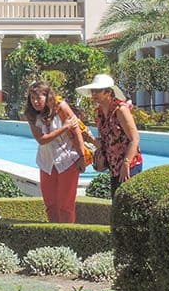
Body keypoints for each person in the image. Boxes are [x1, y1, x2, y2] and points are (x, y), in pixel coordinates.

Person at [25, 81, 85, 223]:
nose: (35, 101)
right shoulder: (31, 115)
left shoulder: (61, 107)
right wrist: (64, 128)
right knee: (50, 204)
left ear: (47, 97)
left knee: (66, 205)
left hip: (68, 160)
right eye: (32, 98)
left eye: (38, 97)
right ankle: (54, 237)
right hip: (46, 163)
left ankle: (67, 238)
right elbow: (42, 139)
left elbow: (76, 132)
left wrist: (82, 156)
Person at [77, 73, 142, 198]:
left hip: (129, 165)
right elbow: (107, 141)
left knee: (128, 203)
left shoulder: (120, 110)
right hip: (114, 167)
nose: (94, 94)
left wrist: (126, 163)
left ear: (108, 92)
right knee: (117, 204)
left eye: (98, 91)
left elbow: (134, 138)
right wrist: (90, 141)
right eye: (93, 91)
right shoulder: (99, 113)